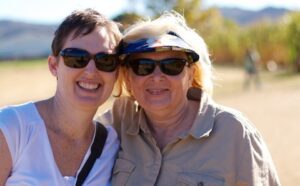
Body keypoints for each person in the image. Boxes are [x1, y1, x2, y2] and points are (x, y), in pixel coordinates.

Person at [98, 11, 281, 185]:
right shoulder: (117, 124)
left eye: (172, 65)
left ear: (191, 75)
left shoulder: (235, 133)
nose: (157, 76)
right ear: (128, 78)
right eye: (143, 66)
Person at [0, 8, 122, 185]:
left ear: (116, 72)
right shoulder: (11, 128)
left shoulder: (112, 145)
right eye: (76, 58)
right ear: (54, 66)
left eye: (105, 61)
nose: (91, 71)